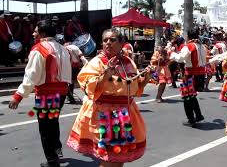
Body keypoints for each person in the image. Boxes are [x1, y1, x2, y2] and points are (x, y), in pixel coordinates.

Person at [67, 28, 152, 167]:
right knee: (108, 159)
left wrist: (146, 77)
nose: (108, 43)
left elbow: (135, 89)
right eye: (105, 40)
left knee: (119, 158)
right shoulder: (97, 62)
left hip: (124, 116)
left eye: (112, 40)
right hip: (104, 115)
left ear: (121, 43)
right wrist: (105, 75)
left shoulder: (128, 62)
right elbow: (88, 87)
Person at [8, 20, 72, 167]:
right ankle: (57, 150)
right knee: (53, 122)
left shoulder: (39, 49)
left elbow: (31, 76)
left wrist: (18, 95)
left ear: (42, 33)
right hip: (61, 93)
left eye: (36, 31)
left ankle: (52, 161)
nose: (33, 33)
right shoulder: (63, 49)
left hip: (46, 94)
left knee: (45, 128)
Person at [170, 29, 205, 126]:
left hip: (191, 74)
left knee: (187, 97)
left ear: (188, 37)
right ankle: (198, 115)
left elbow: (181, 59)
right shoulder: (202, 46)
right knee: (192, 96)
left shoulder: (189, 46)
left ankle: (191, 119)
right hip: (200, 74)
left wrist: (172, 54)